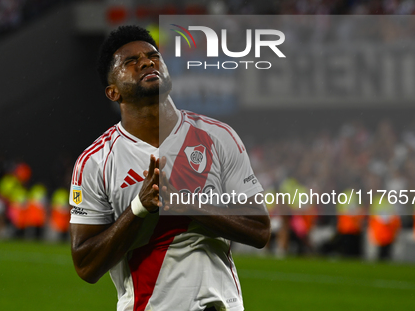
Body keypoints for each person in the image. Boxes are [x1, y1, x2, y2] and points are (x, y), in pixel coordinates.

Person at [69, 25, 271, 311]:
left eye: (153, 56)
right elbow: (86, 265)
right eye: (130, 61)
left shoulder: (219, 137)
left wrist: (188, 205)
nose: (147, 62)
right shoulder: (95, 162)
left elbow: (259, 230)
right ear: (113, 92)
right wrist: (139, 208)